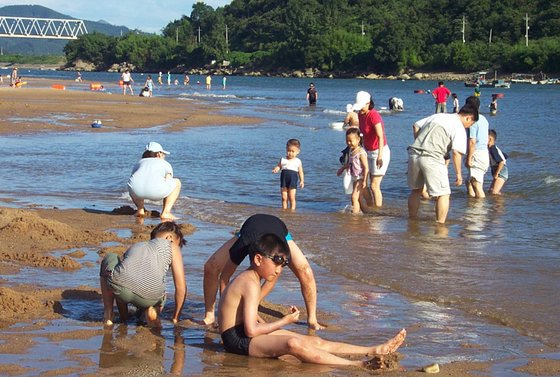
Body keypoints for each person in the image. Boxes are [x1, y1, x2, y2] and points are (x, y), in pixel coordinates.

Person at [217, 233, 406, 364]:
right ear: (258, 259)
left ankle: (374, 350)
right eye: (276, 263)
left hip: (242, 332)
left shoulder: (252, 278)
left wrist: (273, 326)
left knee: (313, 341)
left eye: (283, 265)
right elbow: (250, 331)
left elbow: (247, 317)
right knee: (293, 343)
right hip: (236, 341)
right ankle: (359, 365)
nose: (278, 270)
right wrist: (285, 321)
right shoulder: (249, 282)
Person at [202, 214, 324, 330]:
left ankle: (312, 319)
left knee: (306, 271)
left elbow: (272, 278)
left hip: (278, 228)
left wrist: (253, 304)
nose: (278, 270)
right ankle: (209, 315)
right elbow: (225, 277)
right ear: (258, 258)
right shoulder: (242, 244)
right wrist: (228, 308)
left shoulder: (281, 249)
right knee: (210, 267)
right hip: (251, 228)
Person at [100, 222, 186, 326]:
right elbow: (181, 287)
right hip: (151, 296)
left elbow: (122, 273)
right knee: (161, 292)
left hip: (121, 289)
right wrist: (176, 318)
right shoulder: (172, 246)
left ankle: (110, 314)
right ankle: (152, 311)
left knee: (111, 260)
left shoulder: (137, 245)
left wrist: (124, 315)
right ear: (170, 238)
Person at [407, 103, 479, 223]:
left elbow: (416, 125)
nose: (468, 127)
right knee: (444, 194)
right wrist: (458, 174)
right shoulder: (459, 127)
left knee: (416, 190)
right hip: (433, 157)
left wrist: (420, 141)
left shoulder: (439, 116)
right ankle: (440, 224)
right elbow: (456, 153)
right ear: (468, 117)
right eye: (470, 124)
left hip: (414, 154)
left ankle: (412, 220)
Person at [353, 91, 390, 208]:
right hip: (367, 151)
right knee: (363, 183)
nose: (360, 109)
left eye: (362, 106)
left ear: (368, 103)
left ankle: (378, 211)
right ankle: (369, 208)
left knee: (374, 185)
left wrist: (380, 156)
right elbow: (361, 135)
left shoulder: (374, 115)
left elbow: (380, 136)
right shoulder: (360, 114)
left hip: (379, 151)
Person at [127, 142, 182, 221]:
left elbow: (133, 176)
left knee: (134, 183)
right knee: (177, 182)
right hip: (156, 192)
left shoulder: (139, 162)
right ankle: (166, 212)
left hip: (136, 191)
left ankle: (140, 209)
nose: (164, 156)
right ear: (159, 154)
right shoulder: (164, 163)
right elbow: (169, 179)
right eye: (163, 154)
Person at [337, 128, 369, 214]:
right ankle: (366, 213)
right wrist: (342, 169)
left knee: (354, 197)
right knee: (358, 198)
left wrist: (365, 180)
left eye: (351, 141)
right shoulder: (352, 151)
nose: (349, 143)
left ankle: (355, 216)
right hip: (355, 177)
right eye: (347, 141)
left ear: (358, 140)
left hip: (361, 178)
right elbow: (349, 163)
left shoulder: (361, 153)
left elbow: (366, 167)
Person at [464, 96, 489, 199]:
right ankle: (472, 206)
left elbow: (472, 141)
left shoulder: (472, 121)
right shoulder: (484, 119)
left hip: (476, 153)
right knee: (469, 182)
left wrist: (469, 159)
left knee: (476, 184)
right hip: (484, 153)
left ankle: (479, 210)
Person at [272, 139, 304, 210]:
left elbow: (300, 172)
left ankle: (292, 211)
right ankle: (284, 210)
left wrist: (302, 181)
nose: (290, 153)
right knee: (284, 197)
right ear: (286, 149)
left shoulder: (298, 161)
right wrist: (276, 169)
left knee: (292, 197)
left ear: (298, 151)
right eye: (288, 151)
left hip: (292, 181)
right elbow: (279, 166)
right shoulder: (283, 159)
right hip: (284, 181)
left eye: (293, 151)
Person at [488, 129, 508, 195]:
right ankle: (496, 203)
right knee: (491, 191)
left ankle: (500, 204)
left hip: (501, 171)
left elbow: (502, 162)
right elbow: (505, 156)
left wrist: (497, 173)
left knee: (494, 192)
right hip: (497, 170)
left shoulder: (493, 149)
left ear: (490, 139)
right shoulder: (492, 148)